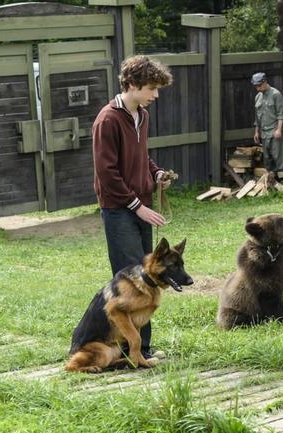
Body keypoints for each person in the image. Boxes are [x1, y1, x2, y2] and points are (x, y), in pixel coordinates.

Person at [92, 55, 174, 360]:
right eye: (151, 88)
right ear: (132, 84)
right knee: (131, 282)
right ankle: (131, 352)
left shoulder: (142, 115)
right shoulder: (107, 119)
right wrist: (137, 206)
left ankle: (142, 350)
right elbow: (107, 173)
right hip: (119, 211)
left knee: (148, 278)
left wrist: (156, 174)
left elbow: (141, 156)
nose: (155, 95)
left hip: (140, 207)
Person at [252, 72, 283, 177]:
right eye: (256, 86)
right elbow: (257, 117)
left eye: (259, 85)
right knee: (267, 158)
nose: (258, 88)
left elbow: (281, 113)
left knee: (278, 156)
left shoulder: (276, 94)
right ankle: (270, 180)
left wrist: (279, 130)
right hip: (264, 132)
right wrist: (256, 132)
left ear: (265, 82)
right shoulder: (258, 97)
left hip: (275, 130)